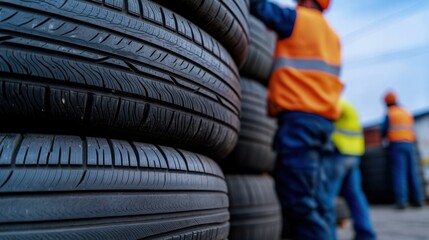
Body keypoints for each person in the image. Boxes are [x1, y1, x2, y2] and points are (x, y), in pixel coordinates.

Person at [250, 0, 343, 239]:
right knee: (321, 203)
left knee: (298, 201)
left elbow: (259, 7)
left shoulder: (296, 19)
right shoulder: (332, 36)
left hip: (300, 120)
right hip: (324, 123)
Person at [331, 99, 376, 240]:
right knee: (355, 196)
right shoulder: (349, 106)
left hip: (339, 153)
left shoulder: (337, 105)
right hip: (354, 155)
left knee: (327, 198)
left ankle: (327, 235)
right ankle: (366, 234)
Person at [381, 91, 424, 209]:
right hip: (409, 143)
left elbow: (384, 130)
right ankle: (418, 200)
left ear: (387, 102)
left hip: (396, 144)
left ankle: (402, 201)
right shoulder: (406, 112)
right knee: (412, 172)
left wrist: (383, 138)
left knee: (399, 172)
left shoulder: (390, 113)